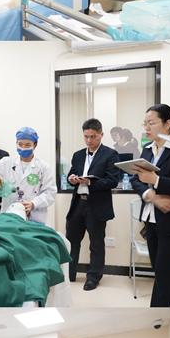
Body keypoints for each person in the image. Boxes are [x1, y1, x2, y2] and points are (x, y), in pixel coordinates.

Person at [131, 104, 170, 307]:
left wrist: (157, 181)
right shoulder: (147, 150)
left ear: (167, 124)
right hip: (151, 222)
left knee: (163, 278)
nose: (146, 127)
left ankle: (157, 316)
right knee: (165, 273)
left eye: (151, 123)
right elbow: (136, 179)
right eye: (145, 123)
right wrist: (149, 194)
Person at [66, 118, 120, 290]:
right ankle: (69, 274)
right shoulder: (78, 155)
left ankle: (93, 277)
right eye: (86, 136)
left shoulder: (110, 154)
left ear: (101, 135)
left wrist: (90, 182)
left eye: (93, 136)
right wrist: (71, 179)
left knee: (96, 243)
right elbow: (71, 175)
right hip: (78, 204)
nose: (89, 140)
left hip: (96, 205)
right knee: (71, 240)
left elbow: (113, 181)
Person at [0, 127, 56, 224]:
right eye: (20, 144)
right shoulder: (7, 162)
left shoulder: (43, 167)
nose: (23, 148)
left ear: (35, 145)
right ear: (16, 143)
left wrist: (34, 203)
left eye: (27, 145)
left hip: (34, 218)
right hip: (9, 216)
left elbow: (50, 192)